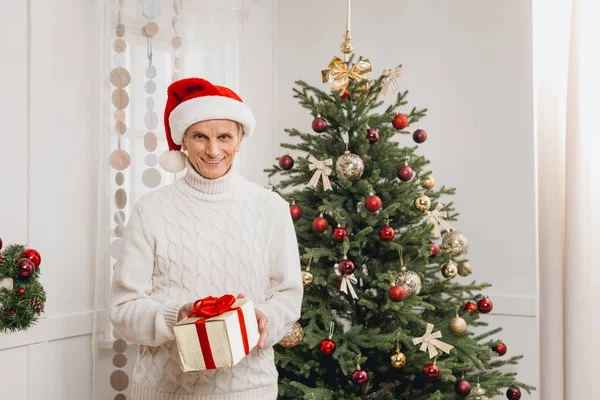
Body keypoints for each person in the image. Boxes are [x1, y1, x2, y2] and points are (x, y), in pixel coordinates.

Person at [110, 77, 303, 399]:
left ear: (240, 140)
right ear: (183, 141)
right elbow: (123, 310)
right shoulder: (151, 209)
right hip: (164, 389)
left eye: (224, 136)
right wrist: (179, 316)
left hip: (248, 388)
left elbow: (287, 294)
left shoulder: (270, 208)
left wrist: (263, 319)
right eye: (200, 136)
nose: (213, 150)